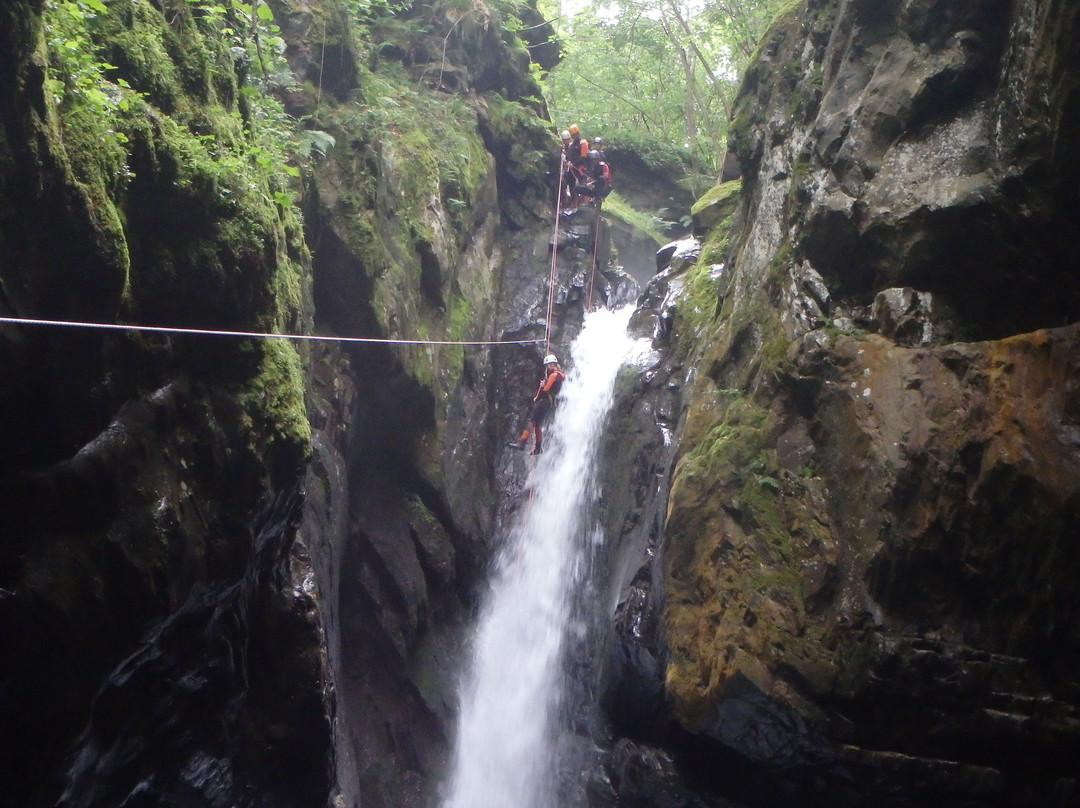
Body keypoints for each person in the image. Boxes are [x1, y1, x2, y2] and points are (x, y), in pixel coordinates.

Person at [509, 354, 565, 455]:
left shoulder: (553, 376)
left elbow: (545, 390)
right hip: (549, 403)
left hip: (545, 401)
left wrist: (541, 389)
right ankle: (538, 448)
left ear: (552, 364)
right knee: (537, 424)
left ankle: (522, 442)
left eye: (547, 366)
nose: (546, 368)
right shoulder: (560, 376)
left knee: (531, 420)